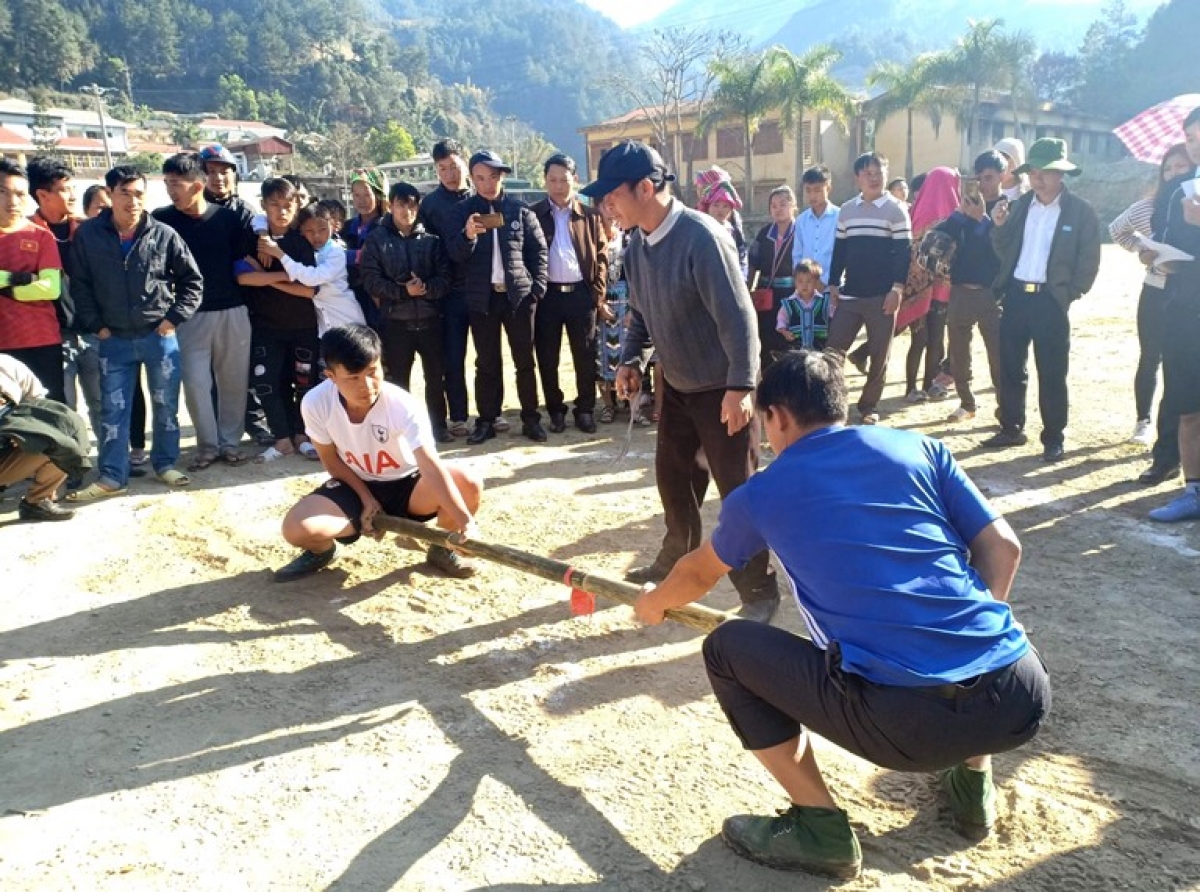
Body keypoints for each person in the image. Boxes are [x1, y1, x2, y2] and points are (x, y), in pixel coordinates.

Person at [633, 350, 1050, 879]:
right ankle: (972, 786)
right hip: (1020, 695)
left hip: (907, 728)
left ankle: (821, 827)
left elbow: (698, 573)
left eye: (765, 423)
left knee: (727, 649)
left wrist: (654, 602)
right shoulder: (919, 447)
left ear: (778, 416)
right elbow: (1004, 549)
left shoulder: (762, 492)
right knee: (964, 627)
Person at [580, 140, 780, 623]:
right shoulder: (636, 244)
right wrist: (631, 359)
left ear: (646, 188)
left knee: (737, 492)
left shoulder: (701, 238)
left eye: (614, 195)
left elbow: (740, 319)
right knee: (674, 480)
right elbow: (641, 315)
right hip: (679, 387)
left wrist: (740, 387)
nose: (607, 205)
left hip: (722, 389)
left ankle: (759, 590)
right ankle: (676, 562)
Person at [274, 324, 482, 582]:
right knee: (297, 529)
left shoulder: (403, 404)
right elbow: (331, 461)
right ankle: (322, 552)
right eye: (353, 378)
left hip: (410, 486)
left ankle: (442, 547)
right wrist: (366, 498)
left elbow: (429, 465)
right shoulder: (315, 402)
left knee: (467, 481)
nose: (368, 386)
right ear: (330, 375)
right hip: (355, 483)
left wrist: (467, 523)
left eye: (373, 372)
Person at [67, 165, 203, 500]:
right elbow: (80, 285)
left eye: (139, 193)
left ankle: (166, 463)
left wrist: (173, 319)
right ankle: (113, 475)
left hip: (159, 338)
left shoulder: (164, 234)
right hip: (112, 340)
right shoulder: (88, 235)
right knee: (114, 411)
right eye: (124, 193)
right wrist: (96, 326)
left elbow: (192, 281)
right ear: (110, 194)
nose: (132, 201)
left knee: (166, 405)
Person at [983, 138, 1102, 462]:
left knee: (1051, 371)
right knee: (1010, 368)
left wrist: (1069, 293)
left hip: (1050, 300)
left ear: (1061, 174)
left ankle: (1054, 438)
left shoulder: (1080, 212)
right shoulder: (1020, 206)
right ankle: (1011, 428)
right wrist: (999, 226)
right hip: (1017, 295)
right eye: (1033, 171)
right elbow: (1004, 249)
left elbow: (1089, 259)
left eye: (1045, 171)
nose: (1038, 178)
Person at [153, 152, 257, 470]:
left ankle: (230, 443)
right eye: (168, 183)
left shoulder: (229, 219)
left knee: (233, 382)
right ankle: (207, 445)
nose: (172, 190)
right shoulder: (161, 219)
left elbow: (246, 262)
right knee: (196, 383)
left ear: (197, 185)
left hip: (233, 311)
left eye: (177, 184)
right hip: (188, 316)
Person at [449, 150, 549, 444]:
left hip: (518, 297)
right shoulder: (461, 213)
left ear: (501, 177)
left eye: (492, 177)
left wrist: (536, 290)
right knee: (486, 363)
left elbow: (538, 252)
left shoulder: (519, 210)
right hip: (482, 298)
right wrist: (467, 235)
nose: (487, 183)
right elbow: (453, 254)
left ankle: (531, 419)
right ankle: (487, 420)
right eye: (480, 177)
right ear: (472, 179)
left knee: (524, 361)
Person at [1109, 144, 1193, 445]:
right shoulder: (1149, 206)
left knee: (1179, 364)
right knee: (1150, 357)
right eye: (1167, 168)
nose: (1172, 173)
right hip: (1156, 290)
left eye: (1180, 167)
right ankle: (1142, 421)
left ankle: (1175, 434)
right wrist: (1142, 251)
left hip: (1188, 295)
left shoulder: (1193, 205)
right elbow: (1117, 229)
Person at [235, 177, 321, 463]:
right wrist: (285, 275)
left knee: (304, 384)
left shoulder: (302, 241)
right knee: (268, 383)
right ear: (263, 206)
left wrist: (267, 277)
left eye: (288, 205)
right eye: (275, 205)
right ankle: (282, 439)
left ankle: (303, 436)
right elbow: (244, 277)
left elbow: (309, 289)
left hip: (303, 326)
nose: (281, 211)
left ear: (297, 205)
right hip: (266, 327)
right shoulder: (252, 238)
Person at [360, 181, 453, 443]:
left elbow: (445, 277)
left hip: (431, 320)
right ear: (390, 206)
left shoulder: (432, 240)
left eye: (412, 205)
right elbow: (369, 279)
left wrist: (426, 289)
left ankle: (438, 427)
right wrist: (403, 292)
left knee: (436, 378)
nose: (407, 211)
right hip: (395, 323)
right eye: (401, 205)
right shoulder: (377, 239)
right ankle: (401, 431)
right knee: (398, 382)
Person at [826, 152, 912, 425]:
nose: (873, 178)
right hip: (850, 295)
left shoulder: (897, 211)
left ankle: (868, 407)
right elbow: (839, 250)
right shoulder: (847, 210)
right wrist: (833, 283)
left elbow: (903, 254)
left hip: (882, 296)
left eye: (878, 172)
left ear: (886, 174)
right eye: (867, 173)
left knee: (878, 354)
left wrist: (896, 290)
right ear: (857, 178)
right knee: (833, 352)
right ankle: (831, 404)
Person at [1146, 107, 1200, 521]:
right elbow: (1160, 241)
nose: (1196, 148)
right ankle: (1193, 490)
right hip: (1184, 306)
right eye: (1191, 140)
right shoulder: (1176, 189)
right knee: (1186, 401)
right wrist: (1156, 255)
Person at [531, 153, 609, 434]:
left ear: (574, 180)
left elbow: (601, 256)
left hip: (581, 295)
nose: (558, 186)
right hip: (547, 297)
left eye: (563, 180)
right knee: (547, 356)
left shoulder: (590, 215)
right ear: (545, 181)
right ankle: (555, 410)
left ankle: (585, 409)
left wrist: (597, 294)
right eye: (552, 180)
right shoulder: (533, 214)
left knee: (585, 355)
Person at [936, 150, 1007, 423]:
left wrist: (982, 220)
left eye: (989, 177)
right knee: (958, 355)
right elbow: (942, 235)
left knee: (998, 356)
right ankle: (967, 404)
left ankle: (1005, 409)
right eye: (979, 178)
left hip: (992, 295)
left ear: (1002, 176)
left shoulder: (1006, 208)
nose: (984, 184)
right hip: (960, 292)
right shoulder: (966, 209)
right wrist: (959, 215)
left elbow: (1002, 248)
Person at [418, 138, 476, 438]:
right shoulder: (429, 205)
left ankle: (490, 413)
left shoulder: (481, 195)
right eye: (443, 169)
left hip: (483, 289)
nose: (450, 174)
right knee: (453, 358)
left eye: (454, 167)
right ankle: (459, 415)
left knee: (488, 355)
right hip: (449, 293)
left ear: (463, 163)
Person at [0, 158, 65, 402]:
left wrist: (7, 288)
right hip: (2, 345)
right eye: (3, 192)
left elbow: (50, 288)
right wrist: (22, 279)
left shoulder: (40, 237)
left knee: (48, 414)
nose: (12, 201)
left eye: (19, 194)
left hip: (41, 340)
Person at [894, 167, 959, 404]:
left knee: (931, 340)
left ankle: (927, 385)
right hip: (923, 289)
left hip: (933, 289)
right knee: (924, 340)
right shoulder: (933, 213)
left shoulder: (954, 213)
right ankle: (914, 386)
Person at [0, 354, 88, 522]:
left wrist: (25, 432)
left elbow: (40, 405)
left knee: (61, 439)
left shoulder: (8, 365)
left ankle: (37, 502)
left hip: (9, 444)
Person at [259, 203, 366, 336]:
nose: (317, 235)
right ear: (301, 231)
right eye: (309, 231)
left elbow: (313, 278)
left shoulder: (335, 251)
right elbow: (260, 218)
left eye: (322, 229)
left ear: (332, 226)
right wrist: (263, 235)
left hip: (348, 321)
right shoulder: (304, 250)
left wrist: (279, 255)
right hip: (325, 328)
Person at [746, 185, 797, 372]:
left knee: (788, 338)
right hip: (766, 293)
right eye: (773, 205)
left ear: (793, 206)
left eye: (783, 204)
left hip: (792, 292)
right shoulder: (764, 233)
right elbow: (752, 263)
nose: (778, 209)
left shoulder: (801, 231)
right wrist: (747, 290)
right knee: (765, 336)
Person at [341, 168, 389, 329]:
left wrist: (343, 256)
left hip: (378, 299)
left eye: (367, 194)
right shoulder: (346, 227)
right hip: (350, 299)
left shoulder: (387, 226)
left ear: (379, 194)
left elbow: (373, 257)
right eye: (356, 195)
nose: (361, 200)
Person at [790, 166, 839, 291]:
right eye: (808, 190)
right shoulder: (801, 220)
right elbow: (798, 254)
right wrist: (802, 281)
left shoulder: (839, 217)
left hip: (832, 287)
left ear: (828, 188)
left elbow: (841, 254)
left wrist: (825, 282)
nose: (812, 195)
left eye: (817, 190)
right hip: (806, 289)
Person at [694, 166, 747, 273]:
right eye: (699, 188)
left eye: (704, 187)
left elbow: (741, 249)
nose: (701, 192)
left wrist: (742, 275)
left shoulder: (733, 218)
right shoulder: (695, 215)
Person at [776, 260, 830, 351]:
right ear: (795, 282)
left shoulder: (824, 302)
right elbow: (781, 320)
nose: (804, 285)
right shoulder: (789, 303)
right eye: (800, 281)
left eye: (809, 281)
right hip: (796, 349)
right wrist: (785, 332)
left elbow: (834, 318)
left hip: (819, 350)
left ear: (816, 282)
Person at [994, 137, 1028, 201]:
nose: (1000, 165)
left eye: (1005, 158)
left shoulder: (1029, 194)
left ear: (1017, 163)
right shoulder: (984, 191)